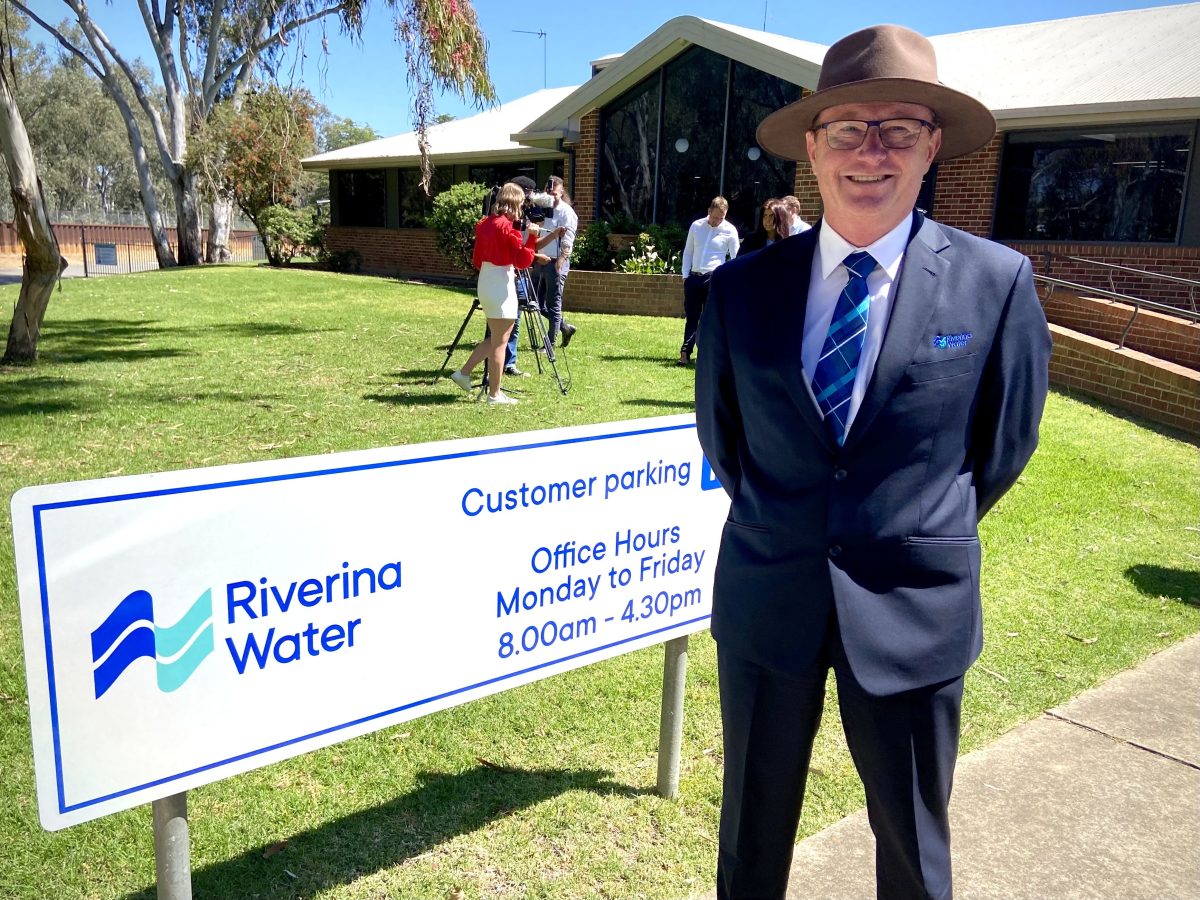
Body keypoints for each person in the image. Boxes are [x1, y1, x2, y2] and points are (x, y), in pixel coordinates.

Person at [695, 24, 1051, 900]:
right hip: (769, 596)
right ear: (812, 149)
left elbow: (1000, 450)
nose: (871, 151)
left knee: (915, 851)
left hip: (911, 611)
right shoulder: (742, 290)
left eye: (898, 128)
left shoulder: (995, 282)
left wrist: (903, 525)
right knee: (749, 836)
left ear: (932, 146)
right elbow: (725, 438)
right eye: (848, 129)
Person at [447, 182, 540, 405]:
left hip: (487, 279)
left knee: (496, 337)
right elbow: (523, 260)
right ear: (516, 203)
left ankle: (464, 373)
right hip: (500, 281)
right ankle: (494, 394)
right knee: (501, 341)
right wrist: (533, 238)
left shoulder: (484, 224)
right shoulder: (509, 228)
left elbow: (477, 258)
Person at [679, 196, 739, 366]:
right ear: (708, 211)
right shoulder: (696, 226)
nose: (717, 221)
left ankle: (708, 355)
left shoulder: (730, 230)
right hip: (694, 278)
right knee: (692, 317)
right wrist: (685, 275)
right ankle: (685, 352)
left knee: (711, 320)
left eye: (721, 217)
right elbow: (688, 251)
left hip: (714, 278)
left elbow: (735, 257)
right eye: (715, 217)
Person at [532, 175, 579, 358]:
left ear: (561, 191)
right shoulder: (541, 209)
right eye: (548, 190)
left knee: (553, 303)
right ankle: (565, 328)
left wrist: (561, 260)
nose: (551, 193)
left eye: (554, 190)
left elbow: (568, 239)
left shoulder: (567, 212)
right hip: (540, 259)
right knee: (534, 302)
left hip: (556, 261)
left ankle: (549, 344)